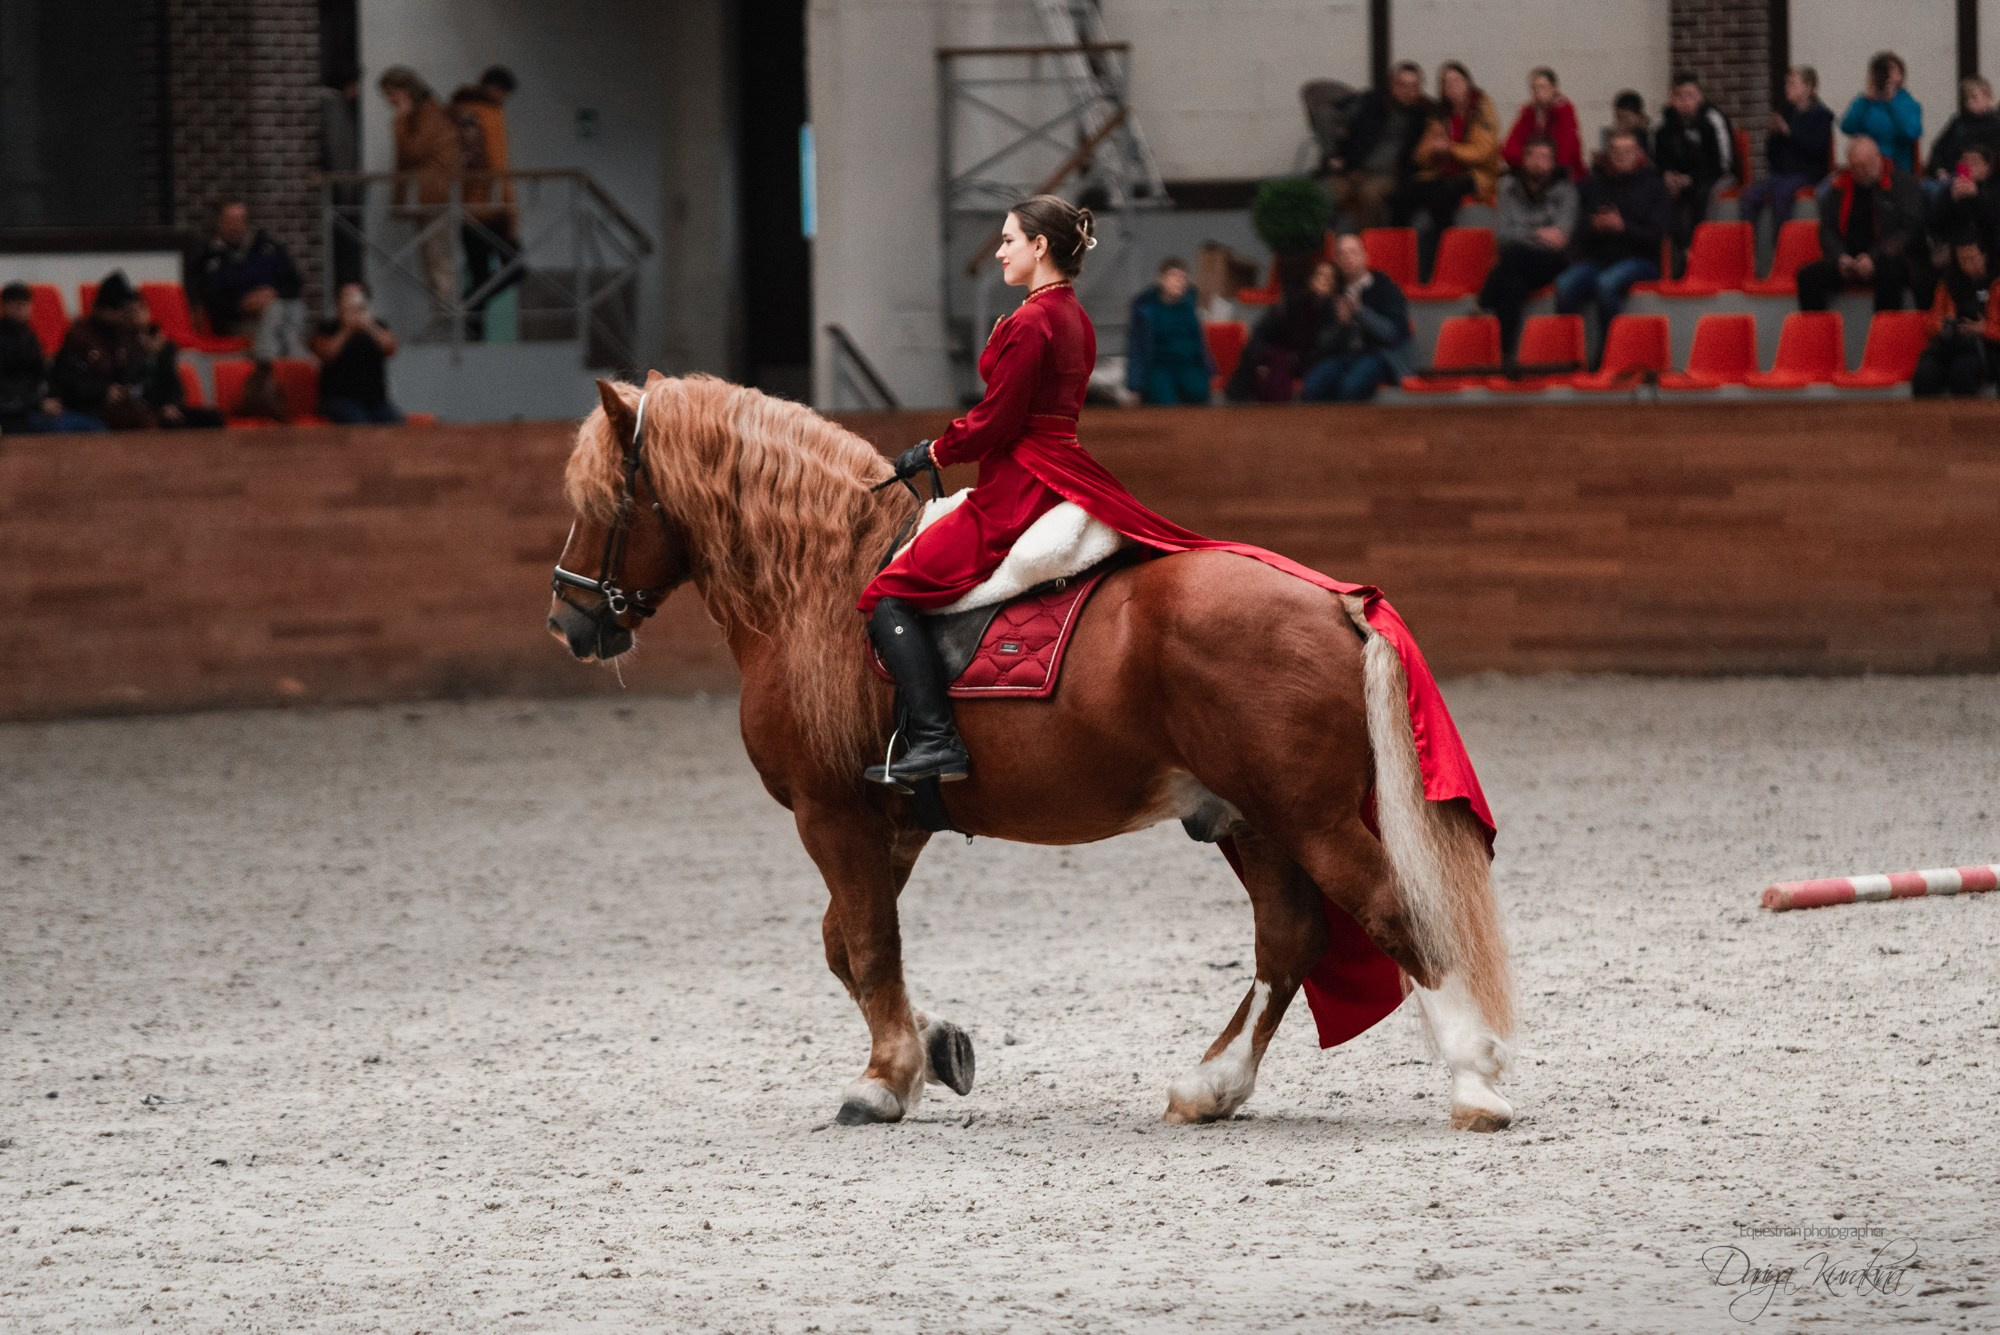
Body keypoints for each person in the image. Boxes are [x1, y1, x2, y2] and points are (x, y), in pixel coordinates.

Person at [51, 273, 221, 430]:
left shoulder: (148, 340)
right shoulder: (80, 336)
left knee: (210, 419)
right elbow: (69, 379)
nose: (131, 316)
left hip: (147, 403)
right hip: (102, 406)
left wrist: (170, 402)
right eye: (128, 310)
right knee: (139, 421)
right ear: (108, 310)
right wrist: (103, 391)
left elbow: (168, 383)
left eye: (140, 309)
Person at [1556, 131, 1671, 359]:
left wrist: (1622, 227)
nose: (1621, 156)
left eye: (1627, 151)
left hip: (1641, 260)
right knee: (1564, 285)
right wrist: (1595, 226)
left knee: (1606, 284)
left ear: (1638, 154)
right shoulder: (1597, 186)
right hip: (1601, 258)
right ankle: (1569, 356)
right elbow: (1580, 234)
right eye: (1616, 151)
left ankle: (1610, 354)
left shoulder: (1655, 187)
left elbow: (1658, 235)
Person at [1392, 60, 1502, 276]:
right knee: (1403, 193)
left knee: (1443, 195)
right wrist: (1432, 149)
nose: (1452, 86)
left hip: (1476, 174)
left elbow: (1484, 152)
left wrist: (1450, 148)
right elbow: (1420, 157)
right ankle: (1400, 262)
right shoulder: (1440, 114)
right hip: (1443, 173)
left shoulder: (1482, 107)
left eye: (1456, 80)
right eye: (1446, 82)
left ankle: (1438, 264)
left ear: (1467, 81)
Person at [1796, 136, 1928, 313]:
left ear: (1878, 158)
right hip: (1849, 260)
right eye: (1855, 167)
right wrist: (1839, 257)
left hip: (1889, 258)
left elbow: (1910, 230)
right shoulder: (1840, 188)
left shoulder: (1903, 184)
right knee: (1807, 276)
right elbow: (1827, 229)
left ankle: (1883, 335)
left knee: (1889, 272)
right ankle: (1818, 335)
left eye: (1866, 165)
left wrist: (1874, 258)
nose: (1861, 171)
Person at [1478, 137, 1580, 361]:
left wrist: (1523, 233)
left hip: (1553, 261)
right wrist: (1539, 233)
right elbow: (1503, 237)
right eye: (1533, 156)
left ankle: (1485, 301)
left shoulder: (1567, 190)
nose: (1539, 163)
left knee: (1514, 255)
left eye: (1545, 158)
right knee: (1514, 286)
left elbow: (1561, 238)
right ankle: (1505, 355)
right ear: (1524, 160)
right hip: (1517, 263)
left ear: (1553, 163)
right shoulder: (1507, 188)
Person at [379, 66, 464, 316]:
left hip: (434, 196)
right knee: (430, 260)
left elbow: (414, 151)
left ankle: (447, 317)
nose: (389, 101)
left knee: (439, 259)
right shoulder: (422, 115)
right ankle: (441, 314)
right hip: (425, 196)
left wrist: (401, 120)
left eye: (391, 94)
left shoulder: (429, 114)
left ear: (404, 92)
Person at [449, 65, 521, 340]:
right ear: (496, 90)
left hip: (467, 207)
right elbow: (498, 165)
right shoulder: (489, 115)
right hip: (489, 209)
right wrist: (510, 211)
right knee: (515, 266)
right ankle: (469, 306)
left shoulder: (457, 113)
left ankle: (472, 324)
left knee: (479, 272)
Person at [1299, 232, 1412, 402]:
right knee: (1312, 387)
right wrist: (1341, 325)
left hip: (1379, 355)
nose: (1348, 258)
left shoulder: (1385, 287)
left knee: (1351, 387)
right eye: (1342, 254)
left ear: (1364, 257)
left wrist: (1360, 312)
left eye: (1353, 252)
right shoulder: (1334, 293)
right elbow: (1322, 344)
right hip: (1344, 355)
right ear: (1337, 261)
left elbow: (1393, 333)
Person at [193, 200, 307, 358]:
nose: (235, 226)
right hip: (236, 322)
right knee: (277, 314)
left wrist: (273, 293)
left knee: (294, 307)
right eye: (230, 221)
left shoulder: (268, 248)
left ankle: (287, 359)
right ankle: (269, 361)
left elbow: (294, 282)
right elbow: (209, 299)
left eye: (239, 220)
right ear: (220, 223)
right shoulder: (209, 258)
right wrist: (243, 304)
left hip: (276, 310)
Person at [1327, 61, 1431, 231]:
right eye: (1402, 85)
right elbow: (1332, 112)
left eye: (1413, 86)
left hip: (1388, 175)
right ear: (1392, 84)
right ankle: (1322, 251)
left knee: (1369, 195)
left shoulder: (1424, 114)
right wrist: (1333, 153)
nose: (1407, 91)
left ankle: (1365, 249)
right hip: (1354, 168)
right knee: (1328, 192)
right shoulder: (1372, 101)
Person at [1738, 67, 1834, 239]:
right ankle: (1747, 247)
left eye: (1793, 84)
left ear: (1808, 88)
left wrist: (1789, 132)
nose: (1787, 88)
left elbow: (1817, 150)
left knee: (1781, 194)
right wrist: (1773, 135)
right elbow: (1772, 156)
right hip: (1781, 173)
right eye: (1787, 83)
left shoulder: (1821, 116)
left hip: (1806, 173)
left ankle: (1781, 247)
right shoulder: (1786, 111)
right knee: (1749, 196)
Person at [1224, 259, 1335, 402]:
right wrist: (1260, 360)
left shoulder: (1333, 312)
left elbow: (1324, 349)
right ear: (1311, 278)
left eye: (1330, 277)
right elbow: (1262, 332)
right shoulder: (1291, 302)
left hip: (1302, 362)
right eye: (1320, 275)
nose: (1325, 281)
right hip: (1272, 355)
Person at [0, 283, 105, 433]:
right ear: (5, 306)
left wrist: (53, 398)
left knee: (95, 427)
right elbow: (7, 390)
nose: (21, 309)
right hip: (17, 414)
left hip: (37, 405)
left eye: (25, 303)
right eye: (16, 304)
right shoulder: (7, 340)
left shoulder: (29, 336)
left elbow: (41, 375)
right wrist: (38, 403)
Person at [1654, 73, 1733, 264]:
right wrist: (1668, 176)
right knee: (1660, 194)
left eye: (1690, 96)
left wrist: (1691, 178)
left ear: (1700, 96)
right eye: (1679, 96)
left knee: (1702, 193)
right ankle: (1674, 254)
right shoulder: (1665, 124)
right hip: (1681, 179)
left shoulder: (1712, 119)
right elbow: (1659, 158)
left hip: (1714, 176)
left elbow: (1723, 163)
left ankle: (1701, 249)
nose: (1685, 102)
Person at [1913, 235, 1999, 397]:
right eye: (1962, 259)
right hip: (1948, 344)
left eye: (1972, 258)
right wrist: (1943, 325)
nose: (1968, 264)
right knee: (1925, 373)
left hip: (1982, 347)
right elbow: (1931, 323)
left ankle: (1965, 421)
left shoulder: (1996, 284)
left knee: (1962, 372)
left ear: (1984, 256)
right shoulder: (1948, 284)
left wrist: (1984, 329)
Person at [313, 283, 406, 424]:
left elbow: (391, 348)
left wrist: (370, 327)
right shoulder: (328, 328)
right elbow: (326, 353)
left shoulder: (377, 327)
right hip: (339, 399)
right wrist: (346, 330)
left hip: (375, 400)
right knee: (360, 423)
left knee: (395, 423)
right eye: (347, 299)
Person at [1125, 258, 1213, 405]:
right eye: (1174, 277)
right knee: (1164, 401)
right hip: (1159, 366)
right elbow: (1136, 348)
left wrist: (1210, 370)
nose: (1179, 282)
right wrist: (1134, 384)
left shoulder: (1191, 307)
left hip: (1188, 365)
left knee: (1199, 393)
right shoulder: (1145, 309)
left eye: (1182, 278)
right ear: (1161, 279)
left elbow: (1200, 342)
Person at [1841, 52, 1921, 174]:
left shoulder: (1907, 103)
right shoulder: (1866, 103)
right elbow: (1847, 127)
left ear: (1900, 75)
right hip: (1864, 166)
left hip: (1895, 167)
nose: (1885, 76)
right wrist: (1865, 101)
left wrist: (1891, 102)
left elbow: (1911, 132)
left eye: (1891, 71)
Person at [1502, 67, 1584, 178]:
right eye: (1533, 88)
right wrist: (1533, 162)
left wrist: (1534, 160)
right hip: (1530, 173)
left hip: (1562, 176)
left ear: (1554, 88)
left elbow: (1565, 155)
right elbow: (1509, 150)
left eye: (1542, 87)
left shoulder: (1564, 111)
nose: (1537, 92)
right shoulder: (1529, 112)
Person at [1928, 77, 2000, 192]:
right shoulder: (1958, 121)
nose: (1969, 102)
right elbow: (1939, 145)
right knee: (1925, 188)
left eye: (1974, 97)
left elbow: (1987, 160)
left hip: (1974, 177)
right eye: (1967, 98)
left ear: (1987, 97)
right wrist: (1939, 169)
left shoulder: (1994, 125)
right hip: (1947, 172)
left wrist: (1964, 175)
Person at [1932, 143, 2000, 256]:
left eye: (1974, 162)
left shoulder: (1993, 189)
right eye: (1964, 161)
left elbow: (1993, 221)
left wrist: (1977, 197)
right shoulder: (1950, 189)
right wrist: (1951, 200)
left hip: (1987, 247)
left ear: (1987, 167)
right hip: (1956, 247)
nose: (1968, 165)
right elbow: (1935, 223)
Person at [1604, 90, 1654, 161]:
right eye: (1618, 118)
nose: (1621, 123)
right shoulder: (1614, 135)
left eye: (1626, 118)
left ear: (1640, 116)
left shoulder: (1651, 137)